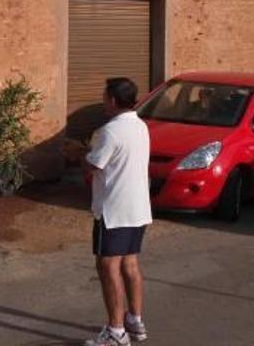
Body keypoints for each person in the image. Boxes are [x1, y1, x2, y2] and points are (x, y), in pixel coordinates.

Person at [82, 77, 152, 346]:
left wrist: (79, 155)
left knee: (108, 265)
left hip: (114, 210)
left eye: (104, 97)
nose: (102, 101)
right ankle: (135, 320)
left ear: (112, 100)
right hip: (137, 208)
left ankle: (116, 331)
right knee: (130, 263)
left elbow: (94, 166)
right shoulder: (141, 126)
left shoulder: (109, 131)